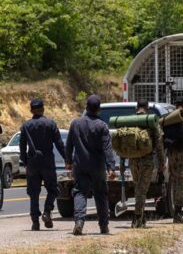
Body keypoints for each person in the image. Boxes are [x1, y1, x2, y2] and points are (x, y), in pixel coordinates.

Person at [65, 95, 115, 236]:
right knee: (100, 195)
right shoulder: (102, 126)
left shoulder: (76, 123)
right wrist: (111, 167)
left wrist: (68, 161)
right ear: (99, 109)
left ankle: (79, 222)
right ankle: (103, 226)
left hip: (80, 165)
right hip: (97, 167)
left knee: (80, 192)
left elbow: (69, 144)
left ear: (86, 107)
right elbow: (107, 148)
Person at [19, 98, 65, 231]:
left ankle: (35, 222)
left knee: (34, 193)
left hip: (32, 163)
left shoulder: (26, 126)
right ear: (43, 109)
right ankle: (47, 211)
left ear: (31, 110)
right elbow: (59, 144)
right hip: (47, 162)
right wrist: (68, 160)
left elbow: (22, 147)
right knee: (53, 189)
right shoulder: (50, 124)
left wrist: (25, 163)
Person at [128, 99, 165, 228]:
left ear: (137, 107)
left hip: (132, 160)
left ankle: (141, 218)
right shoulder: (150, 121)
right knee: (142, 190)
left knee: (138, 187)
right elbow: (159, 143)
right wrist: (162, 161)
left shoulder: (130, 120)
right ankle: (137, 218)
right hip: (146, 161)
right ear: (147, 107)